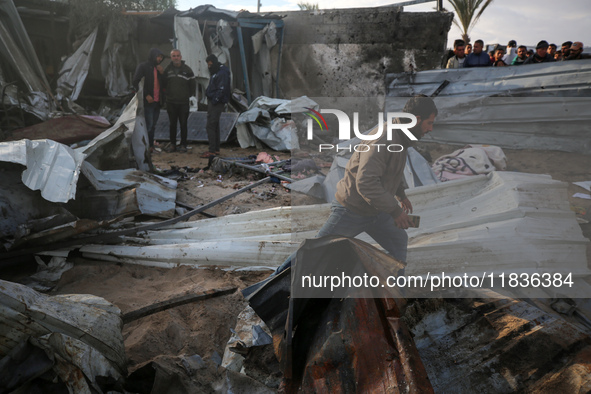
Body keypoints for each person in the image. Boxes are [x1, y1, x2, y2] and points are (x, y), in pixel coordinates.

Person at [315, 96, 438, 264]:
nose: (430, 129)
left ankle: (390, 290)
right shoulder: (385, 138)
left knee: (398, 242)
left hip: (375, 209)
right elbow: (366, 183)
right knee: (315, 252)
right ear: (416, 120)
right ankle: (271, 284)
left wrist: (400, 194)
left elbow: (389, 171)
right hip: (352, 209)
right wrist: (395, 211)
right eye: (429, 123)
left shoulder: (401, 136)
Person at [162, 49, 196, 153]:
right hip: (171, 102)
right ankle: (172, 144)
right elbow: (163, 84)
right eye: (173, 56)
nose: (176, 58)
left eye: (177, 56)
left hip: (183, 103)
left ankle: (183, 145)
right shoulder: (167, 70)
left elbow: (192, 86)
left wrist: (187, 96)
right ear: (171, 57)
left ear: (180, 57)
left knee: (183, 123)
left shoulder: (188, 70)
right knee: (172, 124)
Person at [133, 48, 165, 152]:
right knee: (148, 125)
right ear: (153, 56)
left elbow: (164, 84)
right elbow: (136, 81)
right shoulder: (143, 67)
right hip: (147, 102)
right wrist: (146, 94)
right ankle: (145, 146)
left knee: (153, 125)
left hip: (157, 101)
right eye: (158, 56)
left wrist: (162, 73)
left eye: (161, 57)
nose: (160, 59)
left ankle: (150, 146)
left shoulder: (158, 69)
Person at [203, 54, 231, 158]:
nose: (209, 67)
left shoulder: (221, 73)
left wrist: (215, 100)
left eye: (210, 64)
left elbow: (221, 89)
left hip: (216, 103)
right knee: (215, 125)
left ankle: (212, 151)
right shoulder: (218, 71)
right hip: (215, 101)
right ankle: (216, 149)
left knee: (210, 125)